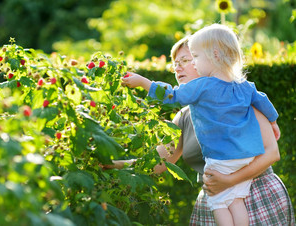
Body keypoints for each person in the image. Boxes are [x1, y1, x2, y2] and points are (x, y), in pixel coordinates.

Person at [116, 25, 294, 225]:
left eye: (188, 59)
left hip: (256, 196)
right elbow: (159, 163)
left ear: (213, 57)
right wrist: (114, 167)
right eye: (175, 63)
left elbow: (272, 154)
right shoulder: (185, 116)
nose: (178, 67)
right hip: (216, 199)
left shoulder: (241, 102)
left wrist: (229, 181)